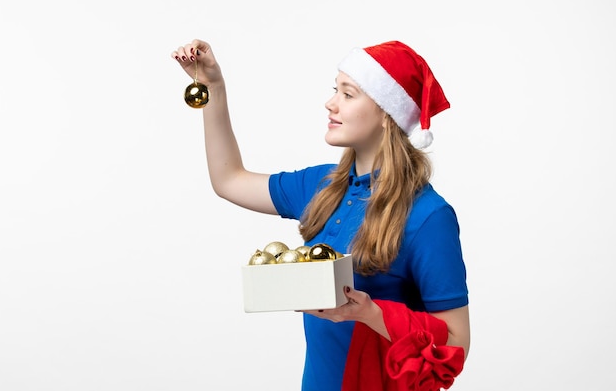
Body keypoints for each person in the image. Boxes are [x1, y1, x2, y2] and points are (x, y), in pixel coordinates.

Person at [171, 39, 470, 391]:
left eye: (348, 94)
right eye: (335, 91)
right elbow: (228, 180)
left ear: (387, 115)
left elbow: (455, 343)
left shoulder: (428, 215)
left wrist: (370, 314)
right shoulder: (322, 185)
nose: (331, 104)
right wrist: (213, 87)